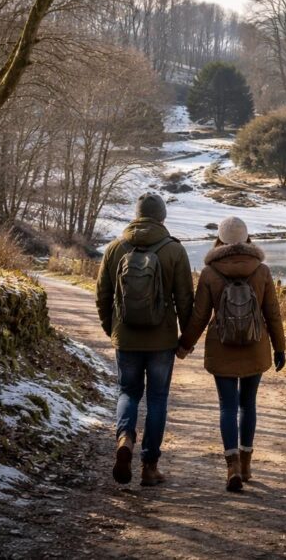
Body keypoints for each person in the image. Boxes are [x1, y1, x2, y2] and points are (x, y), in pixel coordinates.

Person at [177, 216, 285, 492]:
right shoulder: (261, 270)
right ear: (247, 238)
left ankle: (232, 466)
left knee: (227, 406)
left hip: (222, 347)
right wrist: (280, 347)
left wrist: (185, 345)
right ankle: (247, 465)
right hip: (255, 345)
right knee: (248, 405)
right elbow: (272, 313)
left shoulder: (210, 272)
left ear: (220, 239)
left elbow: (200, 315)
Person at [96, 192, 194, 486]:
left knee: (127, 393)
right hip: (162, 341)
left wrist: (112, 329)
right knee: (157, 399)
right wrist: (186, 340)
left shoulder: (115, 247)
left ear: (136, 215)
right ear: (162, 216)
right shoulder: (174, 250)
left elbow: (102, 295)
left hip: (125, 337)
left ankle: (125, 439)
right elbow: (185, 300)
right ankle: (149, 467)